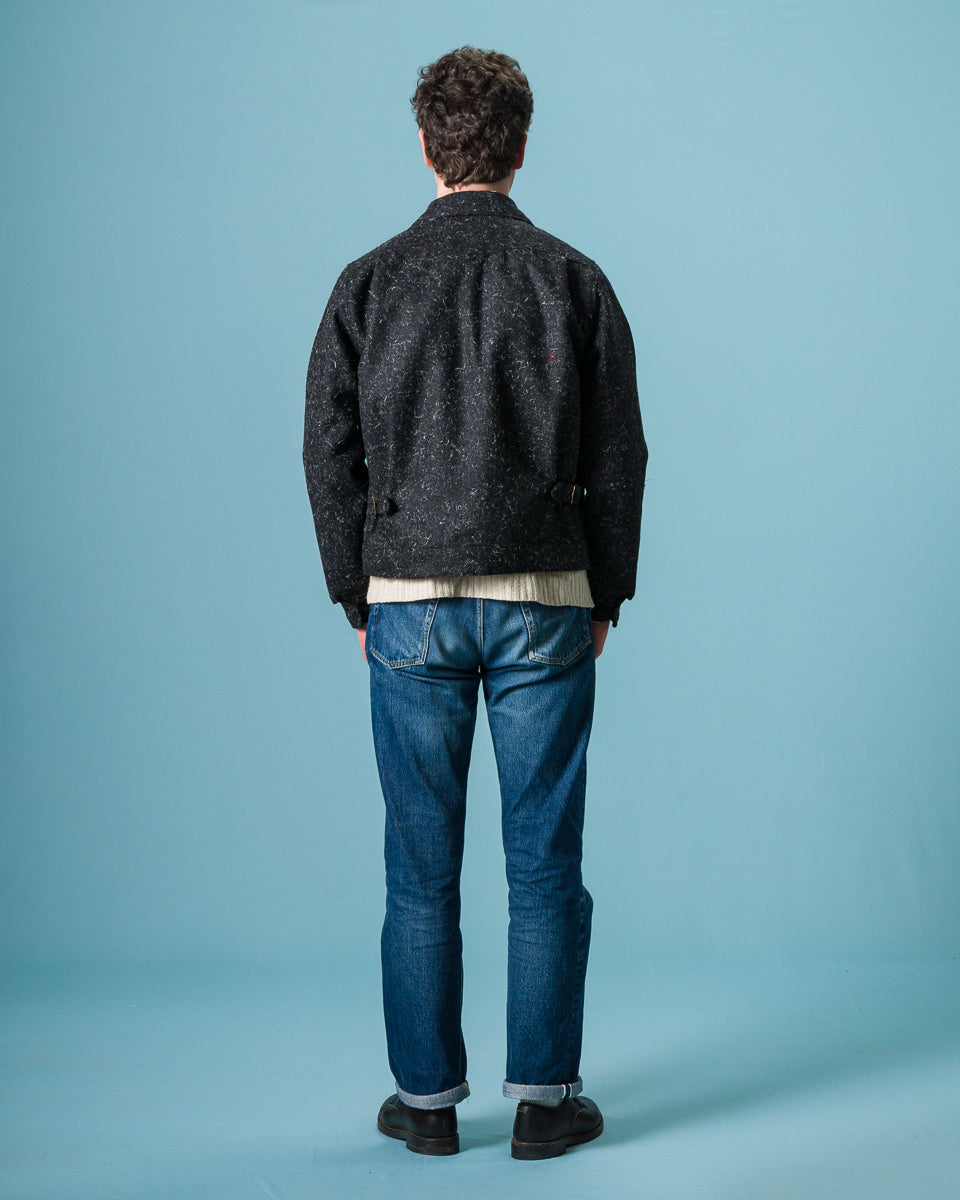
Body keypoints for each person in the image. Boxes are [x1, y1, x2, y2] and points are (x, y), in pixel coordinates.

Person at [303, 46, 647, 1160]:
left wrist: (356, 590)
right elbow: (620, 453)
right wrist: (606, 589)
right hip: (545, 595)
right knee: (544, 863)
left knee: (419, 868)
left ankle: (427, 1105)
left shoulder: (367, 282)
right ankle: (545, 1102)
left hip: (408, 600)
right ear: (522, 145)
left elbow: (328, 451)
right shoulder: (573, 278)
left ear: (425, 145)